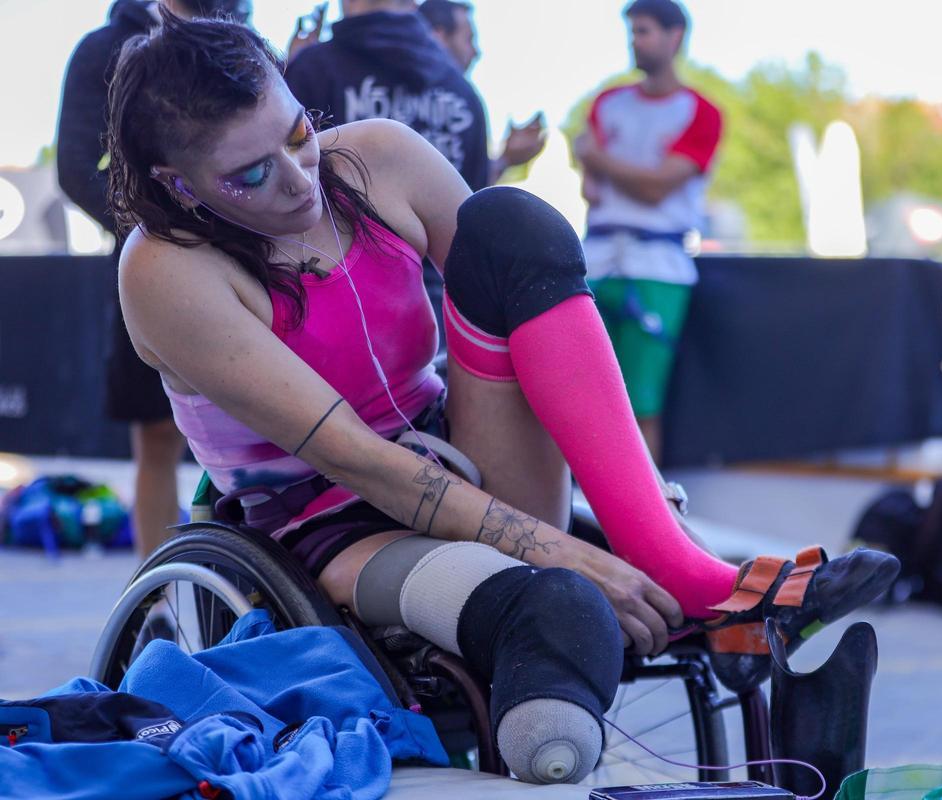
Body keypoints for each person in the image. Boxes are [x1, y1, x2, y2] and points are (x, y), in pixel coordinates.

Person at [106, 14, 897, 782]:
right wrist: (572, 557)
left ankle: (684, 572)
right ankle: (606, 657)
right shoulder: (166, 272)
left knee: (509, 221)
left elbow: (529, 301)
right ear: (178, 186)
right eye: (249, 175)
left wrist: (638, 510)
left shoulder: (378, 157)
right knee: (562, 609)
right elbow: (360, 461)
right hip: (337, 521)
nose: (298, 181)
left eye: (298, 133)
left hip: (465, 449)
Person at [56, 0, 250, 560]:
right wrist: (157, 228)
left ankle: (259, 590)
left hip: (243, 260)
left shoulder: (241, 41)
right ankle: (154, 603)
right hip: (154, 269)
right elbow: (74, 167)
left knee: (260, 427)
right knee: (156, 435)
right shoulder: (103, 47)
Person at [573, 0, 715, 467]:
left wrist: (603, 163)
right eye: (632, 31)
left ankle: (647, 519)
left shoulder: (700, 111)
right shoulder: (607, 102)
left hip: (658, 267)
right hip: (597, 260)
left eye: (645, 31)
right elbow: (593, 189)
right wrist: (623, 173)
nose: (636, 41)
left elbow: (658, 187)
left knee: (641, 403)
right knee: (580, 398)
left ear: (675, 36)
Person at [284, 0, 490, 192]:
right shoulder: (464, 95)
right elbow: (477, 207)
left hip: (338, 229)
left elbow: (285, 180)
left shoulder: (311, 70)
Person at [417, 0, 546, 185]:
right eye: (469, 39)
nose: (476, 52)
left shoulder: (371, 85)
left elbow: (469, 187)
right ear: (439, 36)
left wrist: (506, 159)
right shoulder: (465, 100)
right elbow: (466, 199)